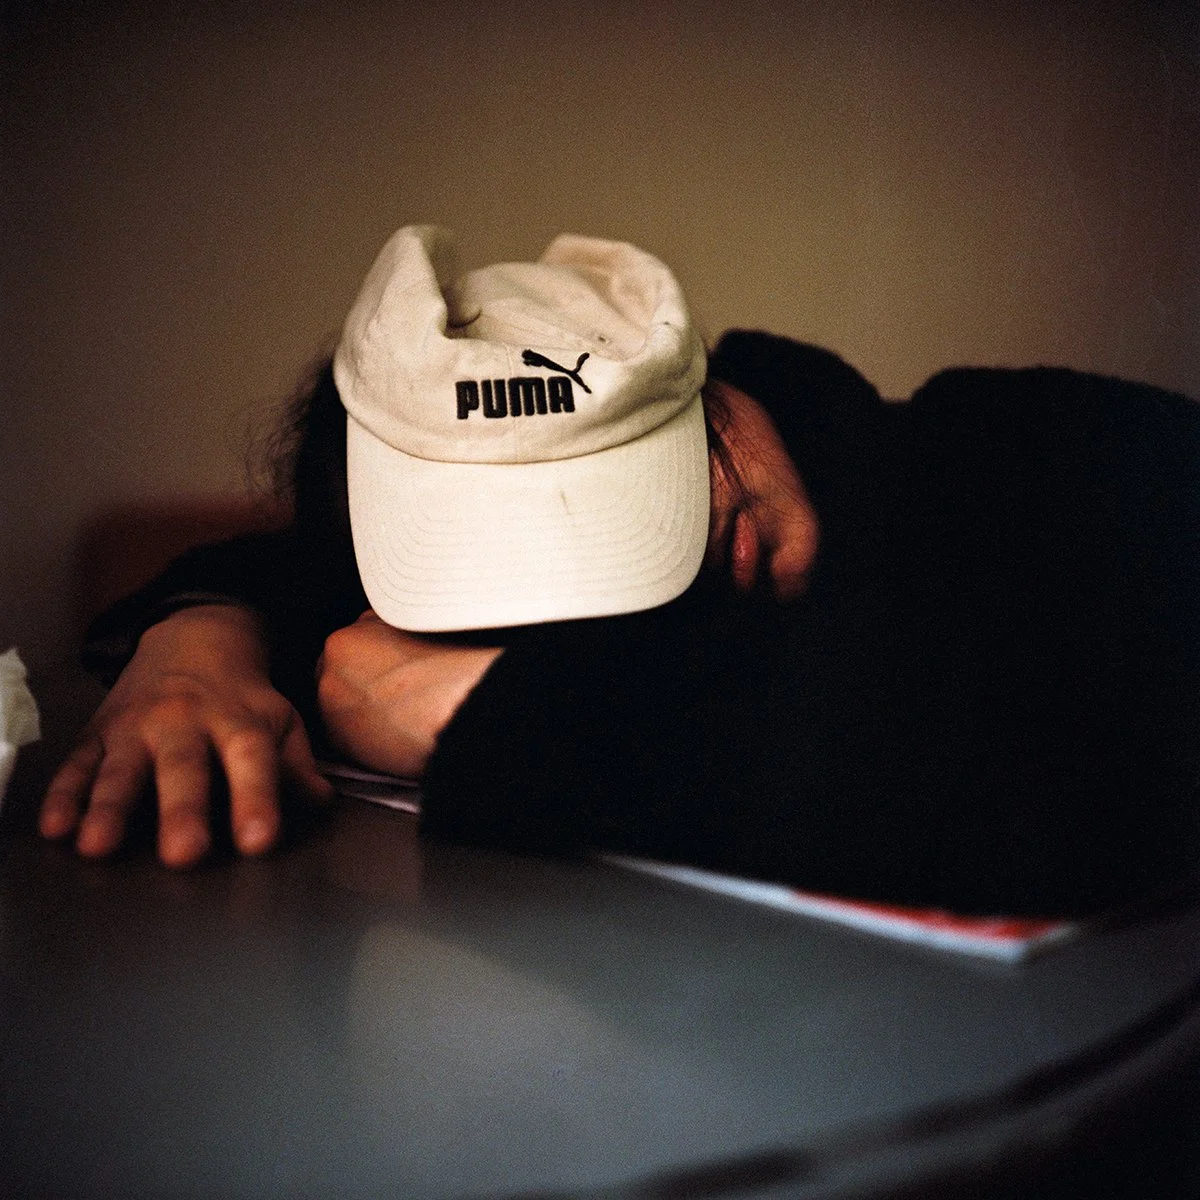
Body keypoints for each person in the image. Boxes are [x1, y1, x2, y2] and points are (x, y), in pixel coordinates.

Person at [40, 227, 1200, 917]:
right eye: (552, 535)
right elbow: (285, 578)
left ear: (703, 385)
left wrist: (501, 715)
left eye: (635, 475)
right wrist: (195, 646)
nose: (692, 558)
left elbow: (1071, 774)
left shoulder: (1058, 455)